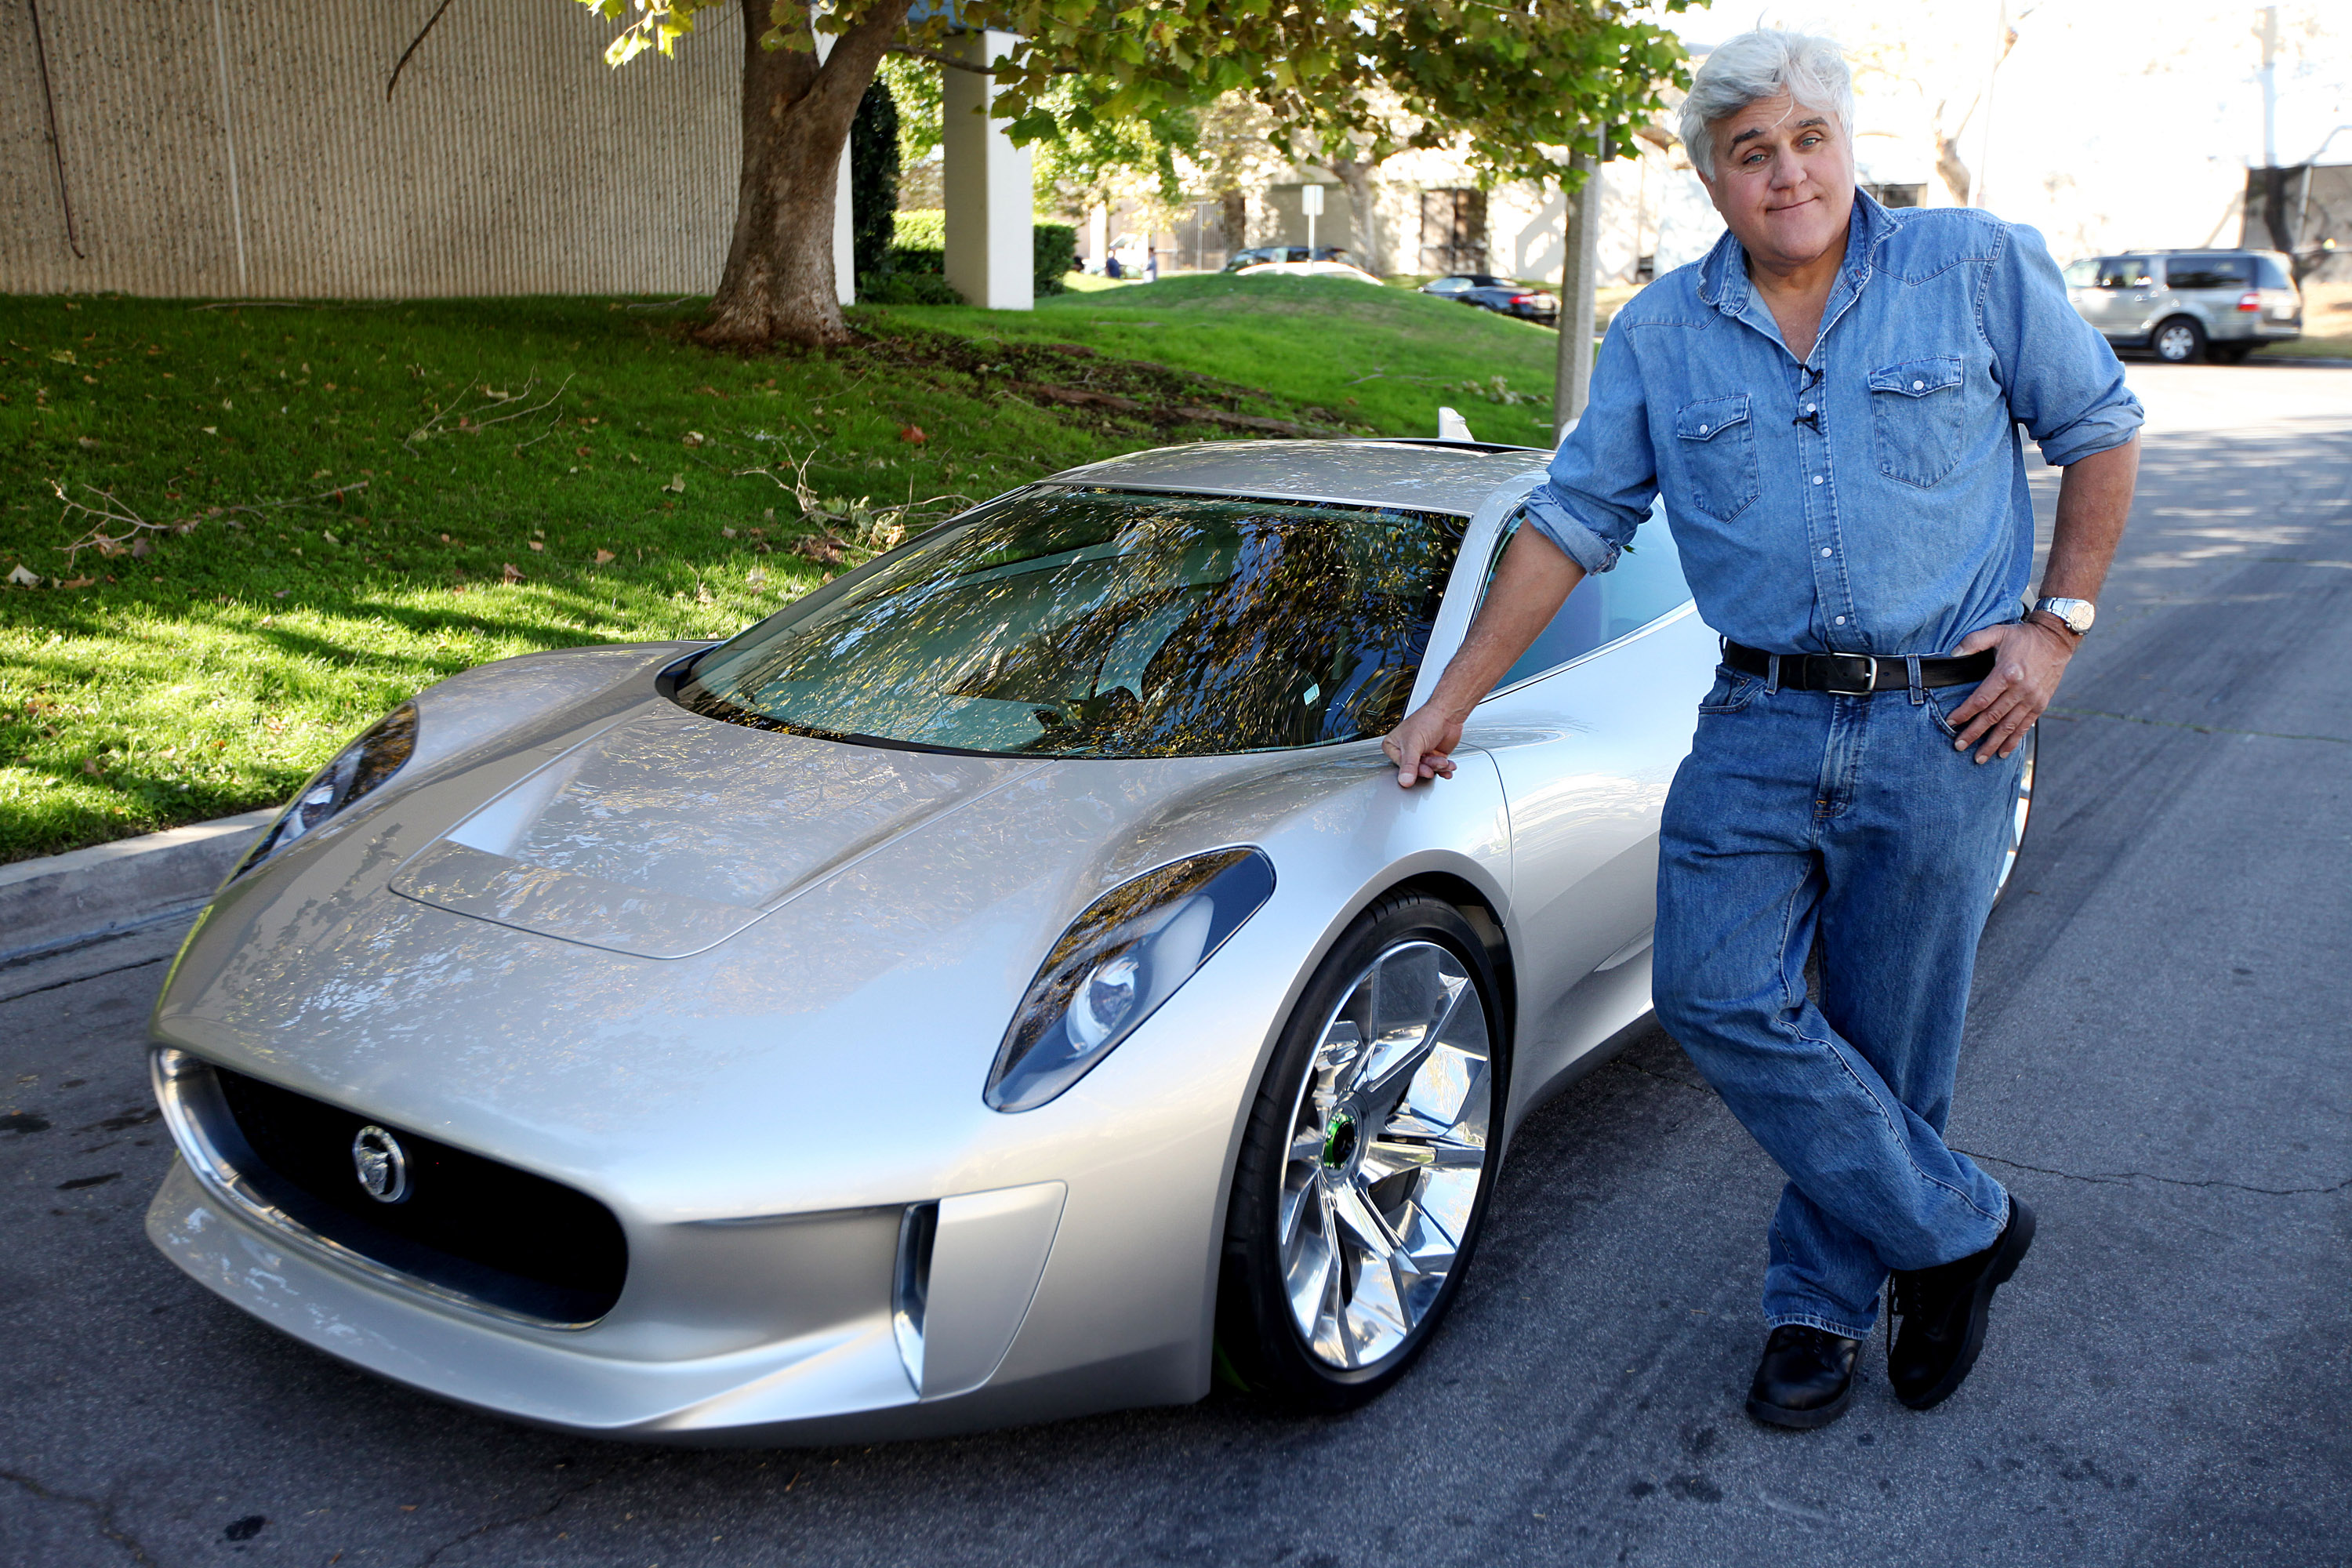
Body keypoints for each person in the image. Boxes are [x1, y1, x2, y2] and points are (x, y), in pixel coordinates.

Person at [1380, 27, 2141, 1430]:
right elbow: (1571, 523)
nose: (1785, 172)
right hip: (1755, 716)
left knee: (1891, 1032)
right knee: (1713, 995)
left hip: (1944, 720)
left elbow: (2099, 428)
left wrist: (2056, 627)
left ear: (1846, 146)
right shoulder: (1665, 330)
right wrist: (1454, 695)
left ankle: (1821, 1305)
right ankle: (1959, 1231)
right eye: (1751, 152)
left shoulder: (1973, 267)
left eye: (1807, 140)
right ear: (1714, 180)